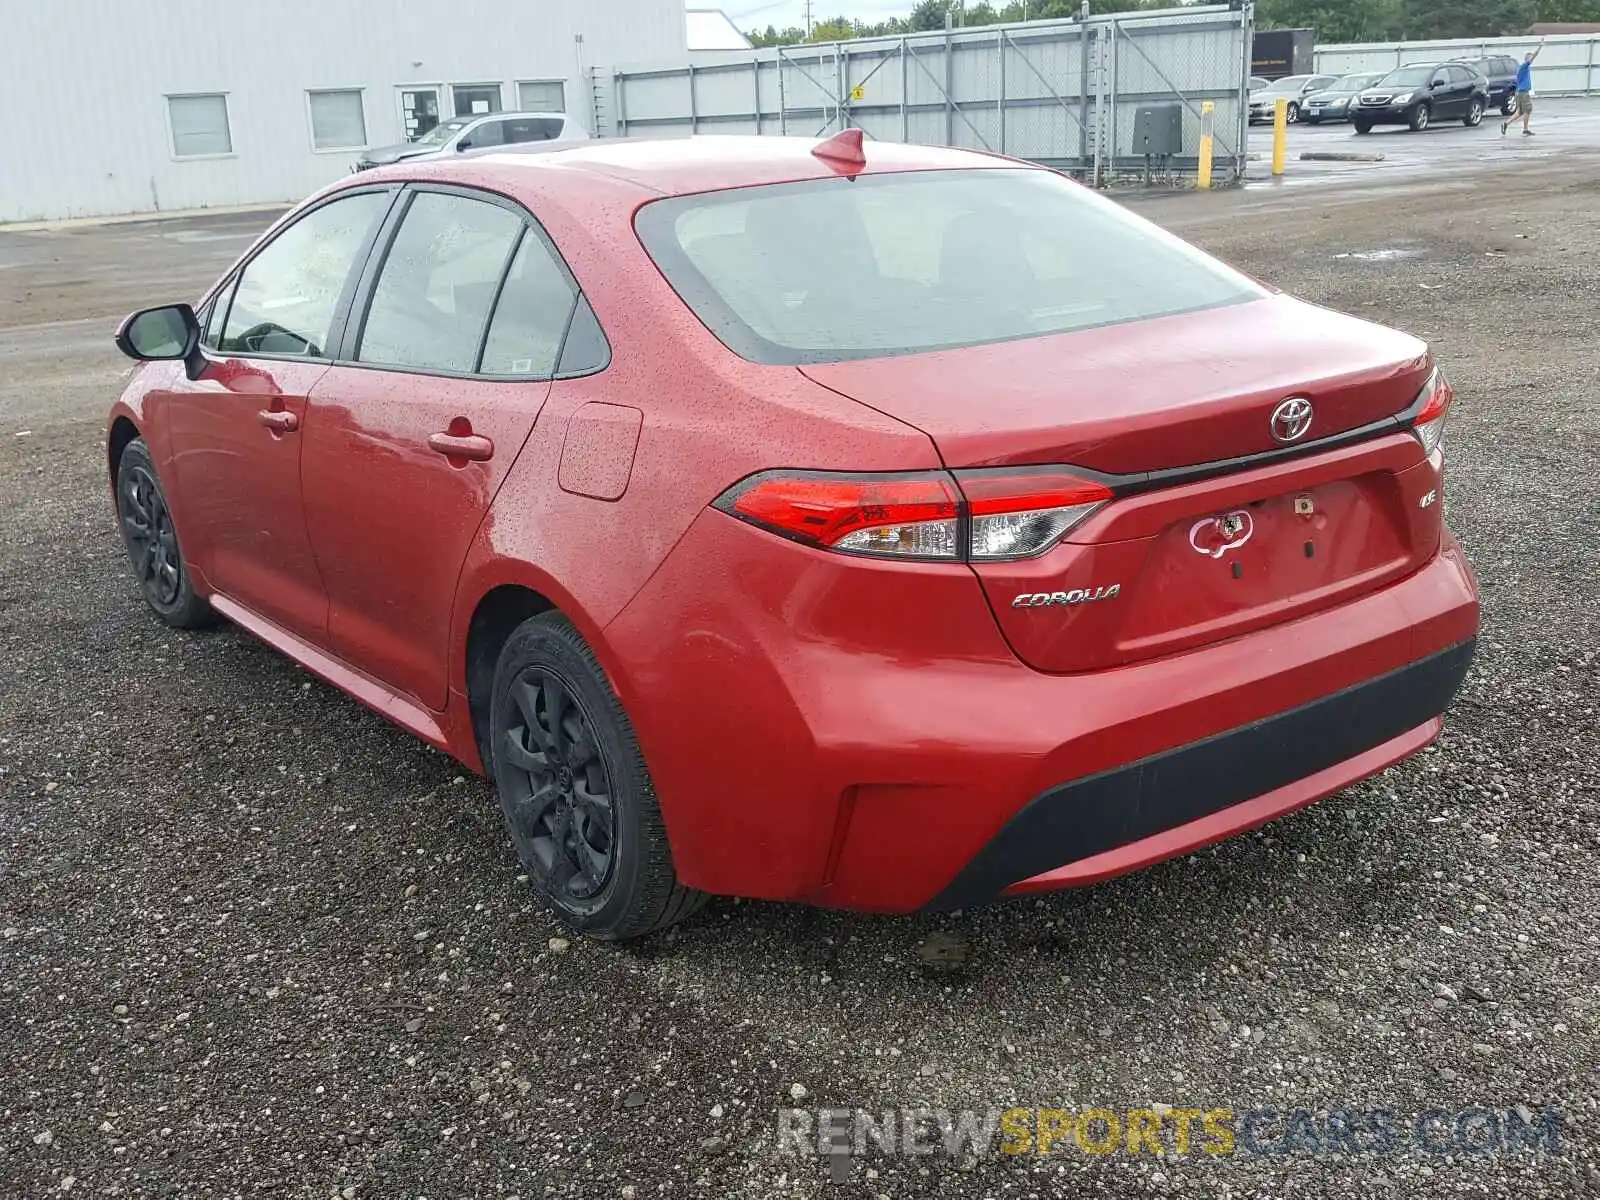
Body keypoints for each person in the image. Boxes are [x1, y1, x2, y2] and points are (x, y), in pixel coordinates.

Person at [1503, 41, 1546, 136]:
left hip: (1519, 92)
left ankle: (1506, 123)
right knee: (1528, 110)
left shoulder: (1522, 68)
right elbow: (1534, 56)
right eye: (1530, 57)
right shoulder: (1524, 66)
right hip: (1523, 92)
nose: (1532, 59)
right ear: (1527, 58)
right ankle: (1525, 129)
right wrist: (1540, 47)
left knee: (1520, 112)